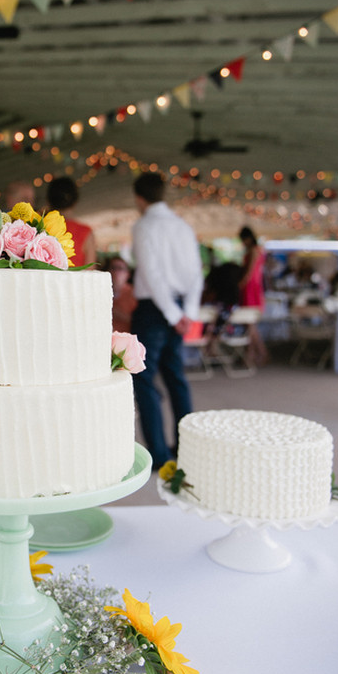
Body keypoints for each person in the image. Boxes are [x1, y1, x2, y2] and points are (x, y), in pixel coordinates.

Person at [130, 172, 203, 470]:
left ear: (139, 198)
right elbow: (197, 272)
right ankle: (186, 450)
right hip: (181, 307)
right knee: (176, 377)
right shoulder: (183, 226)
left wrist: (173, 315)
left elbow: (151, 274)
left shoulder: (144, 225)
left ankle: (159, 455)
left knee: (144, 378)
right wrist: (187, 314)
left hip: (154, 309)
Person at [46, 177, 96, 267]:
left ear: (49, 201)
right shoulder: (85, 232)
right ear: (75, 201)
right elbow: (90, 268)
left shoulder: (41, 227)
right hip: (76, 281)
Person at [238, 225, 268, 365]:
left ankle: (253, 354)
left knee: (250, 324)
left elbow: (249, 273)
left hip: (251, 289)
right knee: (250, 324)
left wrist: (240, 284)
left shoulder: (254, 251)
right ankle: (257, 354)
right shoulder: (257, 250)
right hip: (253, 288)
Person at [104, 256, 137, 334]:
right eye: (113, 268)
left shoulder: (134, 293)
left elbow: (137, 320)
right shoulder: (101, 291)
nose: (116, 272)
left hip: (126, 337)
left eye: (120, 268)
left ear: (128, 274)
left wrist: (117, 313)